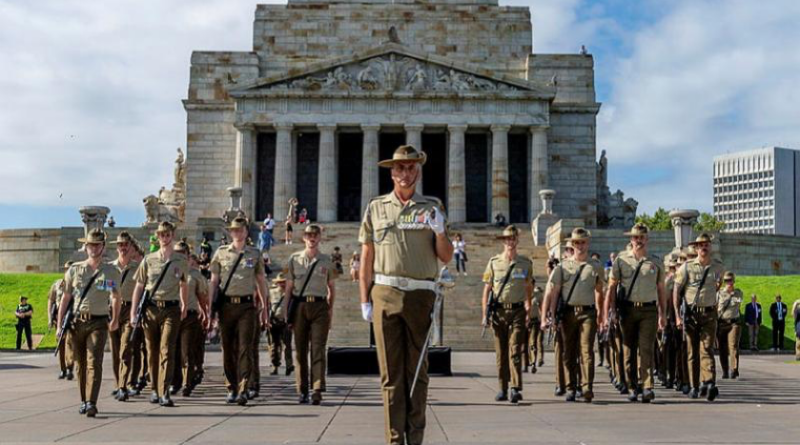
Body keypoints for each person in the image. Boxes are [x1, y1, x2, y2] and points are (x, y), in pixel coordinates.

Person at [359, 145, 453, 445]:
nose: (405, 173)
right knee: (391, 377)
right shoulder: (375, 208)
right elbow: (366, 259)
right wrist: (364, 299)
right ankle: (394, 440)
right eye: (400, 167)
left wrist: (440, 232)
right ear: (392, 172)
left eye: (411, 167)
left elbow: (446, 256)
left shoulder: (432, 209)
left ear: (418, 171)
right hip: (385, 293)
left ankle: (416, 439)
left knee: (417, 375)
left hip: (420, 295)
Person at [57, 229, 121, 417]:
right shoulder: (75, 269)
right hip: (77, 322)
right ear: (86, 247)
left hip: (99, 322)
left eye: (97, 244)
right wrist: (60, 324)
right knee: (80, 364)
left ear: (103, 247)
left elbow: (116, 297)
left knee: (94, 361)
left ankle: (92, 401)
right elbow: (66, 298)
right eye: (91, 244)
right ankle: (84, 400)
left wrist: (116, 319)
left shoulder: (111, 271)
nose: (94, 248)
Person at [209, 216, 269, 405]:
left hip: (247, 307)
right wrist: (211, 308)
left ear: (246, 232)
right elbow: (213, 282)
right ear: (230, 232)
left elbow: (261, 281)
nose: (237, 233)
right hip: (226, 306)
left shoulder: (254, 253)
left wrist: (265, 307)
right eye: (234, 230)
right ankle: (231, 387)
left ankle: (243, 388)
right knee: (227, 348)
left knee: (245, 347)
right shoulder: (220, 253)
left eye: (241, 230)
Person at [604, 223, 666, 403]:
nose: (638, 241)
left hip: (649, 310)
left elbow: (661, 289)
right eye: (635, 237)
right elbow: (612, 287)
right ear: (630, 239)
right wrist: (612, 311)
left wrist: (663, 313)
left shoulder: (655, 262)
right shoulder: (621, 260)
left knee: (646, 349)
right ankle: (632, 386)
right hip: (627, 310)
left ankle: (647, 386)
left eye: (641, 237)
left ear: (647, 239)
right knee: (628, 350)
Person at [131, 221, 189, 407]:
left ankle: (165, 391)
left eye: (167, 234)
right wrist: (134, 312)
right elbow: (139, 286)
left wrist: (184, 304)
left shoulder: (181, 260)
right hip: (151, 309)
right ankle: (154, 389)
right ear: (157, 236)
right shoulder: (148, 259)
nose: (164, 238)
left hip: (171, 308)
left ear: (173, 235)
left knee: (167, 349)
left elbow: (184, 283)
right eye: (161, 235)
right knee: (152, 351)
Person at [543, 227, 604, 403]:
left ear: (588, 243)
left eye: (583, 242)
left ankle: (587, 387)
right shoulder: (562, 267)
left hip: (588, 313)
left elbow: (600, 291)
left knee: (587, 352)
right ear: (572, 244)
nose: (580, 246)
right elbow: (555, 292)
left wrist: (601, 314)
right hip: (568, 313)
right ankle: (570, 387)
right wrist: (552, 315)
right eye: (576, 243)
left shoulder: (596, 267)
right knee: (568, 353)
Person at [481, 225, 533, 403]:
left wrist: (528, 306)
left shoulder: (526, 263)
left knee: (515, 349)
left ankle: (515, 388)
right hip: (499, 311)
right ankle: (502, 387)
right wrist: (484, 315)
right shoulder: (494, 262)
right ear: (503, 241)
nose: (510, 242)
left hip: (518, 310)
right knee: (501, 352)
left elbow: (528, 287)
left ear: (517, 240)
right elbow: (487, 290)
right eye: (507, 239)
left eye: (513, 239)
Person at [286, 224, 336, 405]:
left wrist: (330, 310)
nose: (312, 238)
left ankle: (317, 388)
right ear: (303, 238)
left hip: (320, 307)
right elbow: (289, 289)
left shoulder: (327, 260)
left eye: (315, 235)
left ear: (320, 237)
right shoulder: (294, 259)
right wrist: (286, 313)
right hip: (299, 307)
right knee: (300, 351)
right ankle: (302, 389)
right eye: (309, 235)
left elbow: (331, 288)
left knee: (318, 348)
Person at [674, 233, 725, 401]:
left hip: (709, 314)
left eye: (706, 244)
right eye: (700, 244)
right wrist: (677, 316)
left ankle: (709, 381)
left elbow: (718, 286)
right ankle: (694, 385)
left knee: (707, 348)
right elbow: (676, 290)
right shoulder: (687, 267)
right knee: (691, 352)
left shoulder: (718, 267)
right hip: (691, 315)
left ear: (710, 247)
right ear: (696, 248)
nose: (704, 247)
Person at [171, 244, 208, 397]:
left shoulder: (195, 274)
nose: (179, 255)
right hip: (173, 314)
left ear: (187, 255)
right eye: (177, 252)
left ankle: (187, 382)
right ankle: (176, 382)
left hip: (191, 316)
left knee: (187, 350)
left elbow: (202, 296)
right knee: (174, 352)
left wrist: (206, 314)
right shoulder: (170, 272)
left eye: (182, 253)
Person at [109, 232, 141, 402]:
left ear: (131, 247)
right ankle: (118, 383)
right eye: (120, 245)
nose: (122, 248)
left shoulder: (138, 268)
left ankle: (123, 385)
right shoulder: (109, 268)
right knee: (115, 352)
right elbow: (102, 289)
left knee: (125, 348)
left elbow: (143, 290)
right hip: (112, 311)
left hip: (129, 310)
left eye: (125, 245)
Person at [48, 263, 74, 379]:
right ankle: (63, 369)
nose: (68, 271)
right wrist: (50, 318)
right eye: (66, 269)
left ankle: (70, 367)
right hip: (59, 316)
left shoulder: (77, 284)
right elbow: (51, 301)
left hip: (72, 316)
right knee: (61, 344)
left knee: (70, 343)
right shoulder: (57, 284)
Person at [716, 272, 743, 379]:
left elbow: (738, 302)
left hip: (733, 323)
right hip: (722, 323)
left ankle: (734, 369)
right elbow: (716, 307)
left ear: (734, 281)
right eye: (726, 281)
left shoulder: (738, 293)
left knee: (733, 346)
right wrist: (726, 293)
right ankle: (725, 371)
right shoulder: (719, 293)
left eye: (730, 280)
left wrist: (730, 294)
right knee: (722, 349)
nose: (729, 283)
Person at [268, 273, 294, 376]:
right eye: (281, 282)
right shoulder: (271, 292)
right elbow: (267, 305)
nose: (283, 284)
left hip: (286, 322)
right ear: (277, 283)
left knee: (287, 346)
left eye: (284, 282)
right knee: (274, 346)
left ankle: (289, 366)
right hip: (274, 322)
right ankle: (275, 366)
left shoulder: (291, 293)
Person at [528, 284, 545, 373]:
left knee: (535, 342)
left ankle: (535, 361)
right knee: (528, 343)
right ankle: (530, 361)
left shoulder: (538, 294)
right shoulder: (520, 293)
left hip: (535, 321)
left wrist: (544, 319)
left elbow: (542, 307)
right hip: (524, 322)